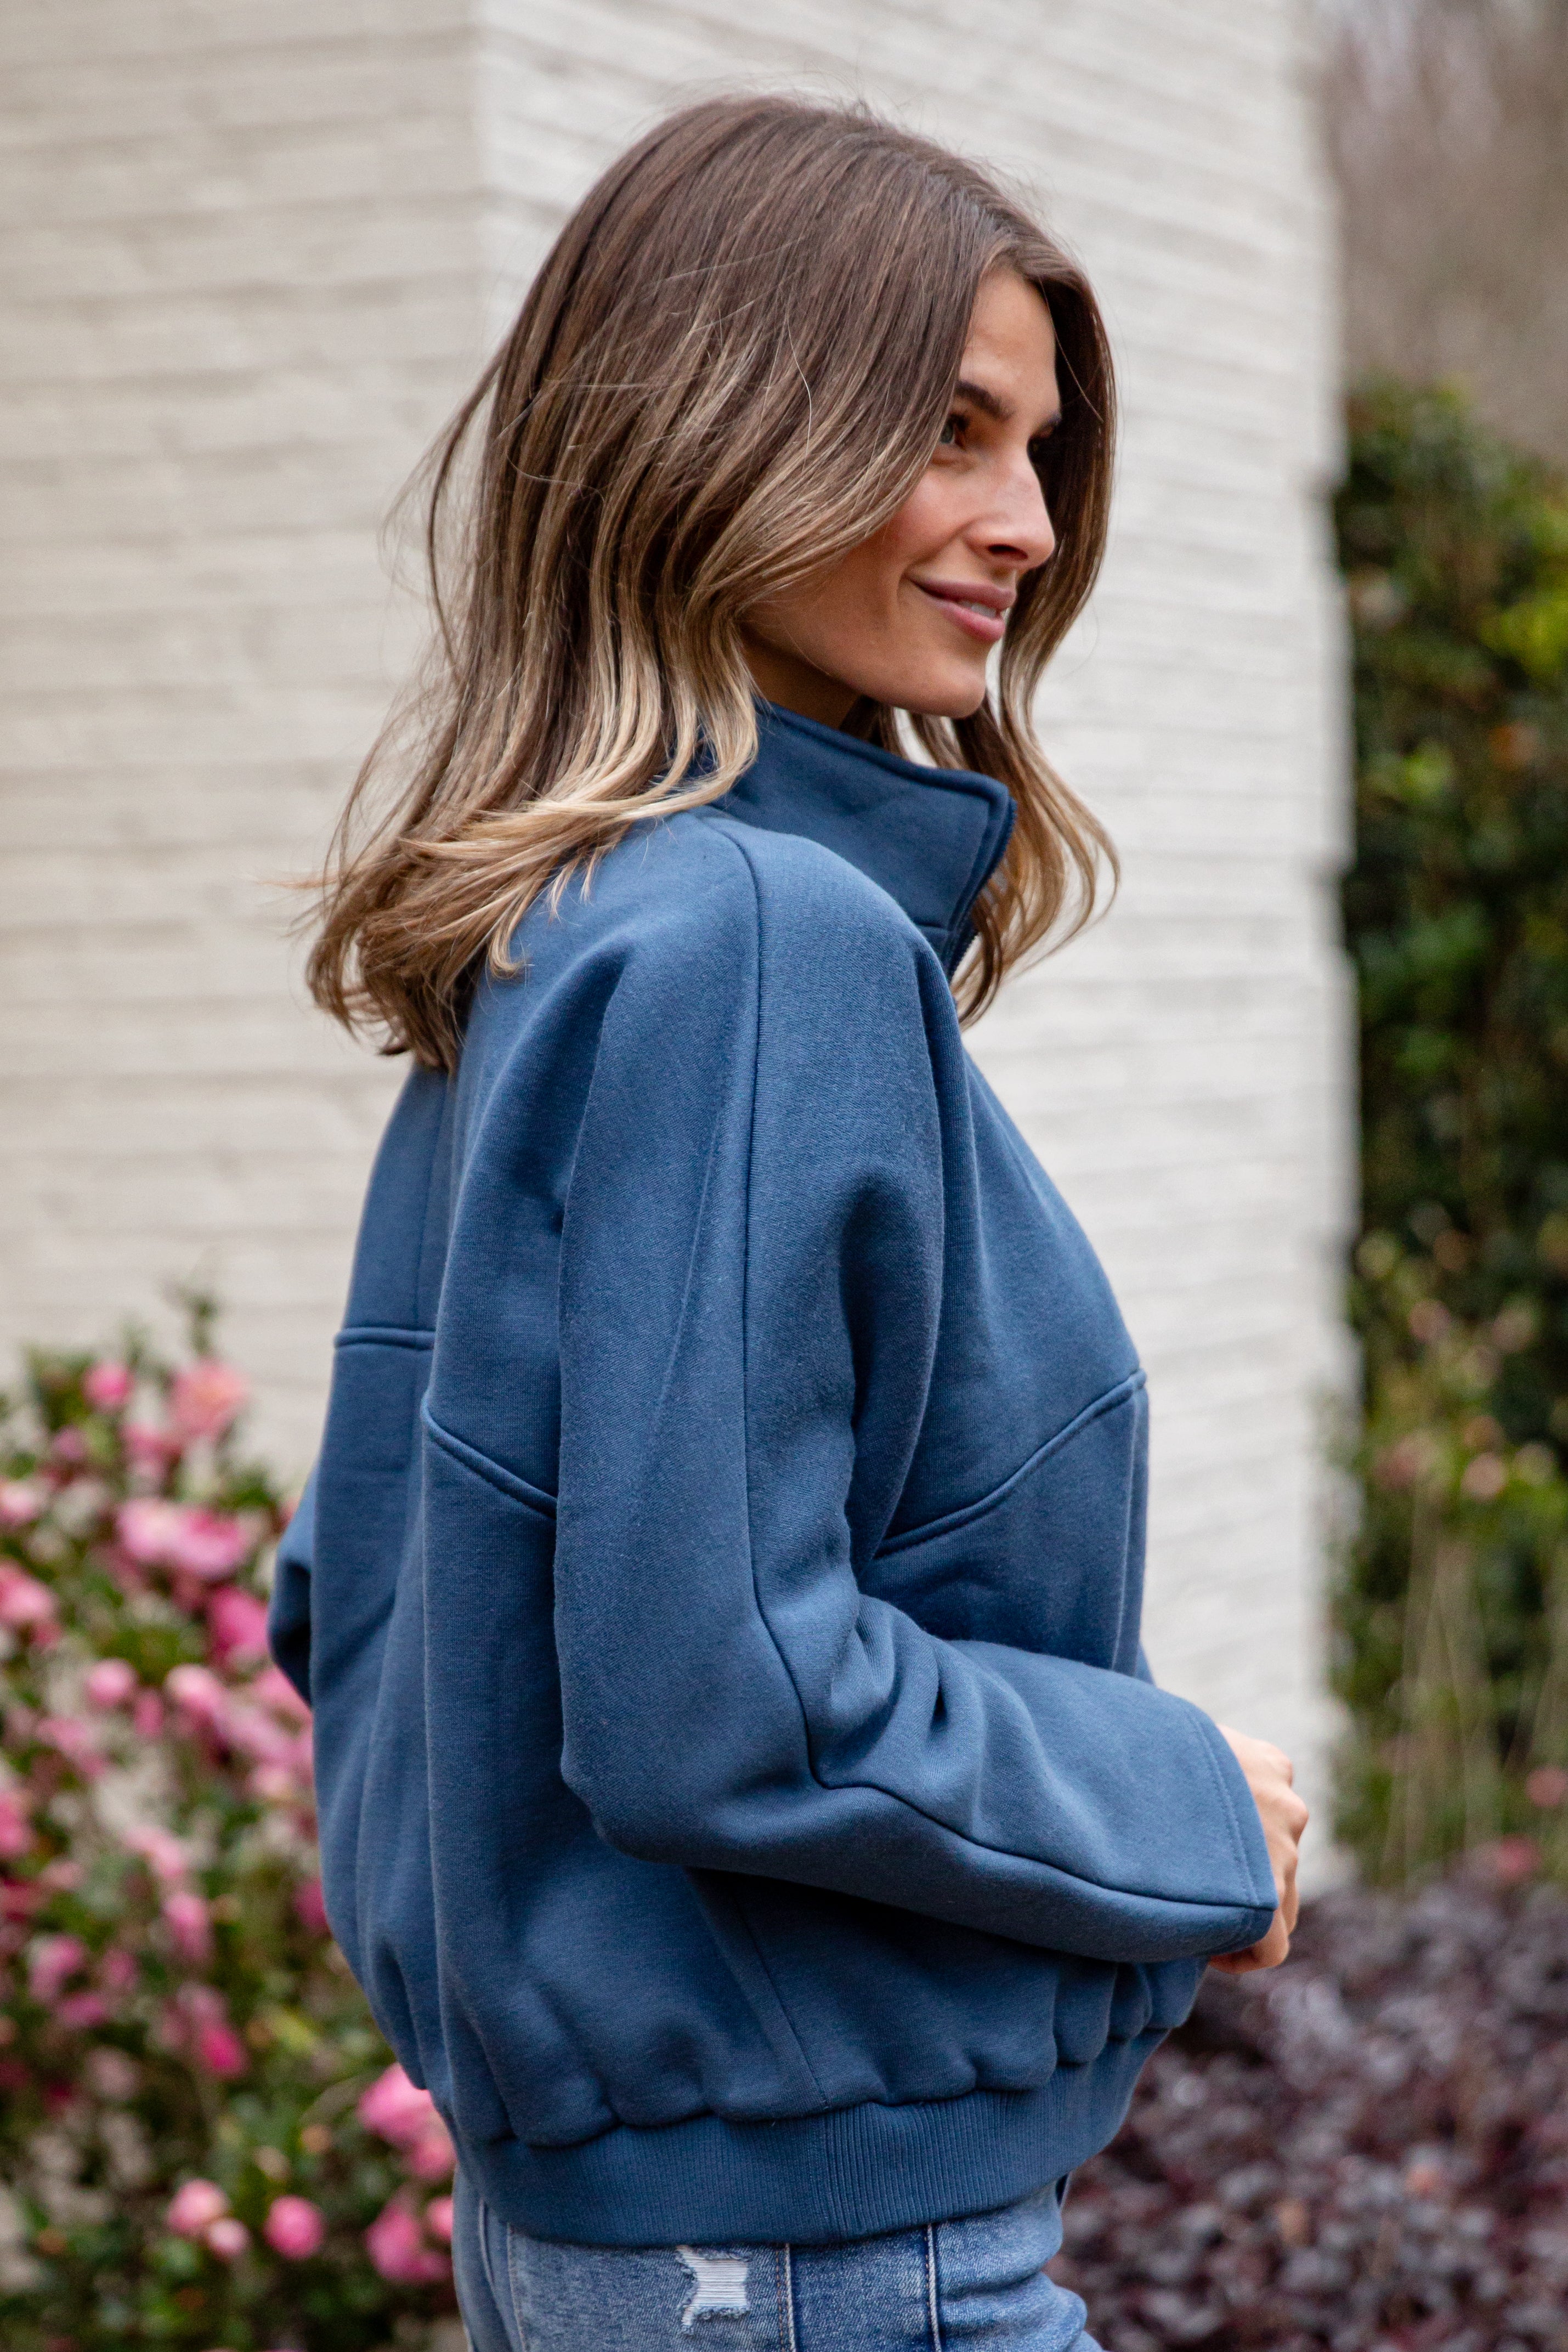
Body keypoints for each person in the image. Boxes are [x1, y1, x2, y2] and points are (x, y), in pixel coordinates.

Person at [270, 93, 1309, 2352]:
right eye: (948, 430)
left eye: (1039, 450)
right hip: (830, 2275)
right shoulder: (751, 938)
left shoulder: (563, 923)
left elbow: (348, 1594)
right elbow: (725, 1695)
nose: (1025, 524)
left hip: (635, 2245)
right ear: (725, 422)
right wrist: (1185, 1804)